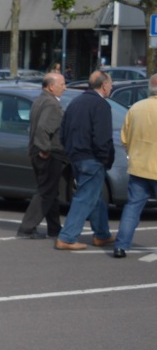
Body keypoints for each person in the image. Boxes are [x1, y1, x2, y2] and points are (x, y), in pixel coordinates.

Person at [54, 70, 115, 251]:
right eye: (111, 84)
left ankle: (102, 234)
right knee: (85, 197)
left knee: (95, 197)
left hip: (76, 156)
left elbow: (63, 131)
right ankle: (67, 237)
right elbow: (103, 138)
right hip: (92, 158)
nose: (111, 87)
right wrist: (105, 159)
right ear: (104, 86)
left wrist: (70, 152)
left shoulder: (75, 102)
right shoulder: (101, 105)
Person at [16, 72, 68, 239]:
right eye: (62, 84)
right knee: (46, 191)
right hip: (48, 154)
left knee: (50, 192)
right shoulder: (52, 104)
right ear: (51, 86)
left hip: (36, 151)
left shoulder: (40, 100)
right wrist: (45, 149)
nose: (65, 88)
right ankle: (27, 228)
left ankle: (54, 228)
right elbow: (42, 129)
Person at [111, 74, 157, 258]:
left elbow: (124, 139)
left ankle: (121, 246)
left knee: (133, 207)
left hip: (138, 166)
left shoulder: (136, 108)